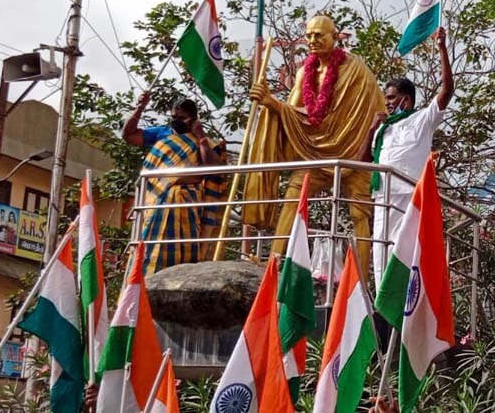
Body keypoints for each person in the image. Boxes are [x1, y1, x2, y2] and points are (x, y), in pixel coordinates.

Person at [245, 14, 386, 275]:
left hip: (355, 153)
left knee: (359, 215)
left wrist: (369, 148)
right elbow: (294, 110)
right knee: (293, 196)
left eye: (320, 34)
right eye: (309, 35)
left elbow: (379, 110)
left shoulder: (356, 69)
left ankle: (360, 279)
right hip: (316, 153)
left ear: (335, 36)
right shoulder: (303, 73)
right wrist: (269, 102)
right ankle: (274, 262)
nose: (313, 40)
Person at [359, 26, 454, 287]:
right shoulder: (383, 129)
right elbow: (363, 161)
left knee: (407, 256)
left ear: (407, 98)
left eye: (392, 97)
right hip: (383, 198)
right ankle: (384, 311)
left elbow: (447, 91)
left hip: (410, 198)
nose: (387, 103)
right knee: (381, 256)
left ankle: (406, 311)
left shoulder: (421, 120)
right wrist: (371, 130)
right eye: (385, 98)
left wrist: (442, 49)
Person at [122, 93, 226, 274]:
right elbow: (129, 136)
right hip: (155, 202)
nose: (176, 121)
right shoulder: (162, 134)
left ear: (193, 119)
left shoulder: (205, 143)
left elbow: (214, 168)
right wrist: (139, 108)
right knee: (148, 246)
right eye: (173, 117)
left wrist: (200, 137)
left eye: (181, 118)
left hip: (185, 202)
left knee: (183, 249)